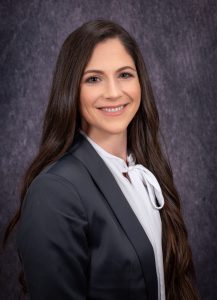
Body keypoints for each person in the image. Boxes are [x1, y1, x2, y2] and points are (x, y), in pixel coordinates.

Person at [4, 19, 199, 300]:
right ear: (71, 89)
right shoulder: (55, 191)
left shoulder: (144, 174)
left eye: (125, 75)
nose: (113, 92)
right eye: (94, 78)